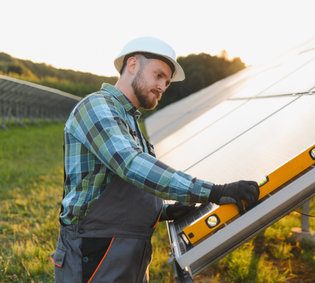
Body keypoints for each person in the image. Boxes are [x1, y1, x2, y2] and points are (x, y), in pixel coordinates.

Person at [50, 36, 259, 283]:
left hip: (126, 249)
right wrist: (213, 191)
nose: (162, 86)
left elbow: (118, 187)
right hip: (93, 248)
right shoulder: (96, 106)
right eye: (158, 75)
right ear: (132, 65)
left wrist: (164, 211)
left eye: (167, 82)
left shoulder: (130, 120)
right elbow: (130, 164)